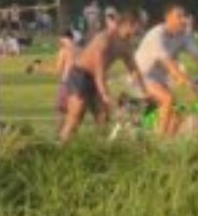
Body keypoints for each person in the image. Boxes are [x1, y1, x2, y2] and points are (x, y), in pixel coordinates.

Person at [58, 10, 141, 141]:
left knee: (103, 117)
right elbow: (99, 70)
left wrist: (143, 90)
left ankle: (99, 150)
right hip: (80, 75)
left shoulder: (125, 44)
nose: (139, 31)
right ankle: (61, 149)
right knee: (75, 117)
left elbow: (133, 68)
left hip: (95, 78)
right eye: (138, 26)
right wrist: (104, 94)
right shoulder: (105, 39)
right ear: (128, 24)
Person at [133, 5, 198, 136]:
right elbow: (169, 65)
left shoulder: (184, 35)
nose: (184, 20)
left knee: (184, 105)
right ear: (167, 18)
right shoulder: (156, 35)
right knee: (168, 99)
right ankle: (159, 142)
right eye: (179, 16)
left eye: (185, 16)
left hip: (161, 80)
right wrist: (189, 84)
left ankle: (168, 142)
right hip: (141, 77)